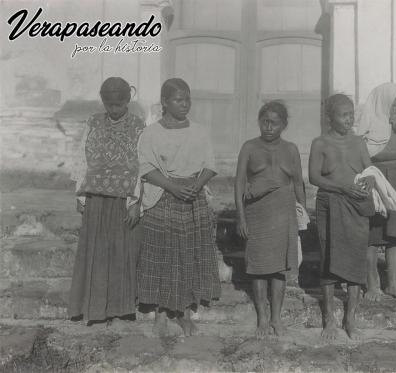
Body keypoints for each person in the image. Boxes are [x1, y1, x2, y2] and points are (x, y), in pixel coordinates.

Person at [136, 78, 221, 337]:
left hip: (192, 199)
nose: (185, 104)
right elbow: (146, 168)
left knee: (186, 257)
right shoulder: (151, 133)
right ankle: (161, 315)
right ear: (164, 102)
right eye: (178, 99)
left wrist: (197, 184)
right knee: (162, 256)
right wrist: (173, 187)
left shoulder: (199, 131)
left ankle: (184, 314)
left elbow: (209, 164)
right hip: (163, 196)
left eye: (187, 99)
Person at [69, 77, 144, 325]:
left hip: (123, 200)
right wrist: (79, 192)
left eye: (119, 105)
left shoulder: (138, 126)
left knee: (121, 252)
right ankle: (94, 308)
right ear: (103, 102)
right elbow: (82, 156)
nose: (114, 109)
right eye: (109, 105)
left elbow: (142, 165)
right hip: (96, 199)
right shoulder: (93, 122)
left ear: (127, 101)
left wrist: (135, 202)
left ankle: (119, 309)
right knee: (96, 253)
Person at [235, 100, 306, 338]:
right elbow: (239, 185)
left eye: (274, 123)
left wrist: (302, 215)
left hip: (283, 214)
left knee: (279, 270)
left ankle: (276, 317)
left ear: (283, 125)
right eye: (264, 122)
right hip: (257, 214)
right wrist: (241, 218)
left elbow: (298, 183)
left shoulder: (291, 149)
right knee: (258, 269)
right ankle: (262, 318)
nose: (268, 127)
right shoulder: (249, 147)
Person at [309, 94, 375, 340]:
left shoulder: (359, 142)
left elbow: (368, 171)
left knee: (356, 257)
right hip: (330, 203)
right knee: (329, 258)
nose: (349, 119)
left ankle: (351, 318)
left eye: (351, 114)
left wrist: (367, 184)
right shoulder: (320, 143)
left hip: (356, 204)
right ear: (330, 118)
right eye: (343, 115)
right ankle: (329, 318)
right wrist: (342, 188)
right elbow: (315, 177)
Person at [357, 83, 396, 302]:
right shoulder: (369, 123)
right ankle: (372, 284)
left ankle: (393, 284)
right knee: (372, 235)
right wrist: (395, 153)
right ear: (383, 102)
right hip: (374, 178)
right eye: (393, 105)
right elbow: (368, 152)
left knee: (395, 235)